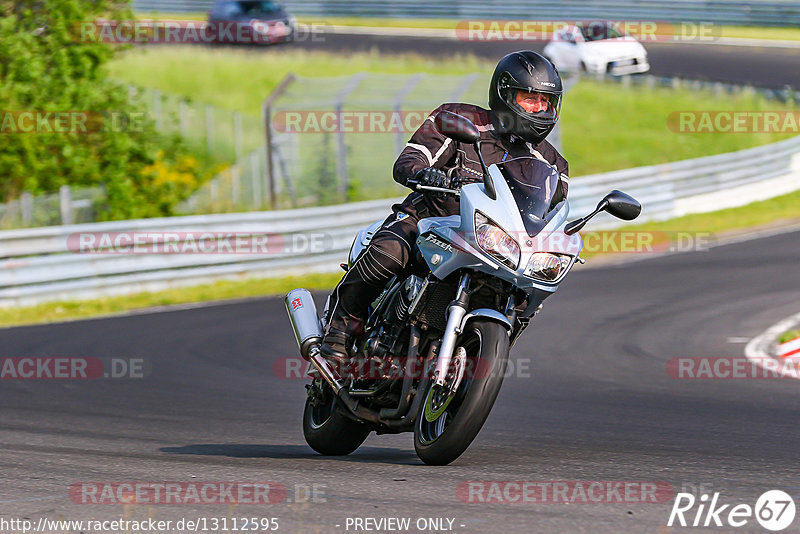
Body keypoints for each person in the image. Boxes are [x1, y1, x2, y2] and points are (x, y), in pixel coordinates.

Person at [320, 50, 570, 365]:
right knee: (389, 252)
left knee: (526, 299)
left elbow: (551, 214)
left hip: (493, 244)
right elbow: (412, 158)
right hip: (430, 221)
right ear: (505, 94)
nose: (540, 108)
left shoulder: (553, 163)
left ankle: (478, 359)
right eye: (530, 99)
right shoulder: (461, 119)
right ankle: (338, 333)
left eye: (546, 101)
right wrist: (421, 171)